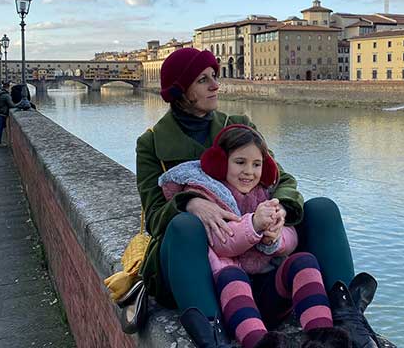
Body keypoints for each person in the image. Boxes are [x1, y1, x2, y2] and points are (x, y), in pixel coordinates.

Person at [136, 48, 382, 348]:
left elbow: (281, 179)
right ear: (180, 90)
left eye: (215, 76)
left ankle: (345, 317)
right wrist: (188, 203)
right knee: (185, 226)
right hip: (204, 266)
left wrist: (280, 213)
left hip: (262, 263)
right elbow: (153, 217)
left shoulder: (238, 124)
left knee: (322, 209)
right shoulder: (151, 143)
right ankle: (213, 334)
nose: (216, 85)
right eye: (203, 80)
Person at [157, 125, 351, 347]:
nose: (249, 171)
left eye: (256, 165)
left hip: (268, 289)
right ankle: (259, 343)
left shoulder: (266, 192)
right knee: (233, 277)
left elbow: (291, 237)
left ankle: (324, 335)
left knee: (304, 262)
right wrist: (254, 225)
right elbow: (222, 242)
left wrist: (275, 237)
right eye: (240, 163)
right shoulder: (209, 196)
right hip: (229, 295)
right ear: (221, 164)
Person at [0, 82, 19, 147]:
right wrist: (19, 105)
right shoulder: (6, 95)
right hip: (1, 113)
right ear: (8, 87)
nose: (11, 89)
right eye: (10, 88)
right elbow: (12, 105)